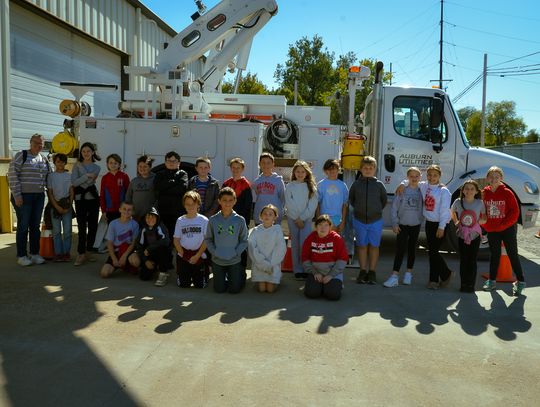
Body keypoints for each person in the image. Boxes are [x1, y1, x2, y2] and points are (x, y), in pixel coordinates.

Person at [398, 164, 452, 289]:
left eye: (435, 175)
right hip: (429, 223)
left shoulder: (443, 191)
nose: (432, 177)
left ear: (439, 176)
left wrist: (442, 227)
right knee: (432, 253)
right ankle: (434, 280)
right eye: (429, 175)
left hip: (440, 224)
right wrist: (401, 184)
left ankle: (445, 274)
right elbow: (411, 180)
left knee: (433, 252)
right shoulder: (424, 186)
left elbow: (445, 210)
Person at [8, 133, 51, 266]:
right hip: (23, 197)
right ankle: (21, 255)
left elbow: (49, 177)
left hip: (38, 197)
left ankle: (34, 254)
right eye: (36, 143)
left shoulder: (44, 159)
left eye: (41, 144)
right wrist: (17, 195)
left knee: (35, 226)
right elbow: (12, 174)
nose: (38, 146)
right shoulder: (22, 155)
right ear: (30, 142)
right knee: (23, 226)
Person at [481, 166, 526, 295]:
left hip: (507, 229)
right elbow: (481, 211)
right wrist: (486, 226)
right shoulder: (485, 193)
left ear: (501, 178)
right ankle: (492, 281)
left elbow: (515, 212)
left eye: (497, 177)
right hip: (492, 230)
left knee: (512, 254)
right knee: (494, 255)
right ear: (487, 178)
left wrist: (503, 225)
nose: (494, 179)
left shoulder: (507, 192)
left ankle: (521, 281)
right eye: (491, 177)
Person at [349, 156, 387, 285]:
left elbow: (383, 201)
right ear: (361, 169)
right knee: (362, 246)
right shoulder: (356, 184)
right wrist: (360, 211)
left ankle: (372, 272)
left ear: (375, 169)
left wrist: (374, 211)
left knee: (374, 246)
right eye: (365, 168)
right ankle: (362, 271)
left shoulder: (379, 185)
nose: (368, 170)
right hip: (359, 220)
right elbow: (352, 200)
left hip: (375, 220)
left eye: (371, 168)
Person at [383, 167, 423, 288]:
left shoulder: (423, 190)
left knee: (412, 249)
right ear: (407, 177)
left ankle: (408, 274)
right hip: (402, 225)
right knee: (400, 250)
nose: (414, 178)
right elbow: (394, 208)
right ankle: (395, 276)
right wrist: (395, 223)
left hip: (415, 225)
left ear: (420, 178)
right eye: (411, 176)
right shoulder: (402, 190)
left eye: (417, 176)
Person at [205, 187, 249, 294]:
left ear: (235, 201)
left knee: (234, 290)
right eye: (224, 200)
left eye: (230, 200)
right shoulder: (213, 219)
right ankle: (224, 277)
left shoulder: (239, 220)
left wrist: (235, 252)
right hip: (218, 259)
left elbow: (244, 240)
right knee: (219, 290)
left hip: (234, 259)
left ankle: (240, 275)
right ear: (219, 201)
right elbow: (208, 239)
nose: (227, 203)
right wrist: (215, 252)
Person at [451, 179, 486, 293]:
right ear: (463, 190)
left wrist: (477, 222)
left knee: (472, 260)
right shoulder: (458, 201)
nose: (469, 191)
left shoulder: (480, 203)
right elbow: (452, 212)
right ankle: (463, 284)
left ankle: (471, 285)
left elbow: (484, 217)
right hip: (462, 235)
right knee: (464, 260)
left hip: (475, 235)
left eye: (472, 189)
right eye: (467, 188)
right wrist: (456, 221)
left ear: (476, 191)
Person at [302, 215, 349, 301]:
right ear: (316, 227)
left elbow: (342, 259)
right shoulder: (310, 238)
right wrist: (314, 272)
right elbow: (305, 258)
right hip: (316, 273)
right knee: (311, 293)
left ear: (330, 227)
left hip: (333, 273)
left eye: (326, 225)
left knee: (333, 295)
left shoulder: (337, 239)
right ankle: (319, 286)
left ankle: (333, 285)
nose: (323, 228)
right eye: (320, 225)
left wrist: (331, 275)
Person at [285, 160, 318, 280]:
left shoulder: (311, 187)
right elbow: (289, 202)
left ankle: (306, 268)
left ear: (306, 173)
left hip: (306, 220)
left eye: (302, 172)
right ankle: (297, 269)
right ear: (294, 172)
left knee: (304, 244)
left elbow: (312, 205)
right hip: (292, 219)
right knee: (295, 244)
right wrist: (296, 218)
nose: (300, 174)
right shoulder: (290, 186)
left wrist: (302, 218)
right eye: (297, 171)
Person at [71, 142, 101, 266]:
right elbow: (74, 182)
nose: (86, 153)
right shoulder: (76, 165)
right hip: (80, 199)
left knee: (93, 226)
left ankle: (89, 251)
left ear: (93, 152)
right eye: (83, 151)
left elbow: (87, 182)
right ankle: (80, 253)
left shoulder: (97, 167)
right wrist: (87, 175)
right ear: (81, 153)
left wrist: (83, 175)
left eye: (88, 151)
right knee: (82, 226)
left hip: (93, 199)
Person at [173, 191, 209, 288]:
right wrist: (184, 254)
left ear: (198, 204)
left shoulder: (204, 220)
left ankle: (203, 274)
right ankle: (181, 275)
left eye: (193, 204)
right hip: (184, 253)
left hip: (198, 254)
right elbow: (176, 240)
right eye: (187, 204)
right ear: (184, 205)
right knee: (184, 284)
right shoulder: (180, 220)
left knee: (200, 285)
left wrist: (197, 255)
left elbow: (206, 240)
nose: (190, 206)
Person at [248, 204, 287, 293]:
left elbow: (280, 247)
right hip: (259, 264)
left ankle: (277, 279)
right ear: (261, 216)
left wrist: (271, 263)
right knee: (262, 289)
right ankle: (260, 281)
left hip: (272, 264)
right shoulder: (255, 230)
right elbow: (252, 247)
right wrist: (262, 262)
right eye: (265, 214)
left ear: (275, 217)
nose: (267, 216)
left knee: (270, 290)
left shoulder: (277, 230)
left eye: (270, 214)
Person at [153, 151, 188, 241]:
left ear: (179, 163)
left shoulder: (183, 174)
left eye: (174, 161)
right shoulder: (159, 174)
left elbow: (181, 188)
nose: (171, 163)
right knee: (164, 235)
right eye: (169, 160)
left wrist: (166, 187)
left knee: (177, 236)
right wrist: (174, 181)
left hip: (178, 211)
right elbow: (158, 187)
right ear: (165, 162)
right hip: (163, 211)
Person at [128, 206, 170, 282]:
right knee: (144, 277)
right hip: (149, 256)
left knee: (163, 249)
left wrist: (149, 248)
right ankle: (154, 267)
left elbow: (166, 241)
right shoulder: (143, 230)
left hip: (160, 254)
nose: (150, 219)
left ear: (157, 218)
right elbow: (139, 246)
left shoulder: (160, 227)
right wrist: (146, 260)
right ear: (145, 218)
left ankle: (163, 272)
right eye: (148, 217)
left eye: (153, 217)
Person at [100, 202, 139, 278]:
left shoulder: (135, 224)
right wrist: (114, 259)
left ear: (133, 212)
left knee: (136, 262)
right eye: (124, 209)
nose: (126, 212)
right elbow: (109, 243)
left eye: (129, 210)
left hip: (128, 251)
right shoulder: (113, 224)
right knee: (104, 273)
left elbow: (133, 243)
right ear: (120, 210)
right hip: (116, 252)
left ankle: (127, 265)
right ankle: (121, 265)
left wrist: (124, 256)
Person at [47, 153, 74, 262]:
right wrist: (56, 206)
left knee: (67, 231)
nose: (60, 164)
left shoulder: (69, 175)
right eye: (58, 161)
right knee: (57, 231)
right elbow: (50, 193)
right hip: (55, 206)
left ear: (65, 163)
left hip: (67, 206)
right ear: (54, 163)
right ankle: (58, 253)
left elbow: (72, 192)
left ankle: (66, 253)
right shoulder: (51, 176)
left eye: (62, 162)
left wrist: (69, 206)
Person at [316, 159, 349, 234]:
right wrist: (318, 219)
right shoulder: (321, 184)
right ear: (325, 171)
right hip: (324, 217)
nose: (331, 171)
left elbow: (345, 204)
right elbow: (317, 203)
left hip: (337, 218)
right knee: (324, 241)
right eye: (329, 169)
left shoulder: (343, 185)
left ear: (338, 169)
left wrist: (343, 221)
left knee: (334, 241)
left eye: (334, 168)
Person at [252, 152, 285, 226]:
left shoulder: (278, 180)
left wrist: (279, 211)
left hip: (274, 217)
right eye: (263, 162)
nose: (266, 165)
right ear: (259, 164)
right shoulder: (256, 182)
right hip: (260, 217)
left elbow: (283, 197)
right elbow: (255, 198)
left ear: (273, 164)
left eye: (268, 163)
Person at [222, 157, 253, 226]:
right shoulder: (226, 184)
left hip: (240, 219)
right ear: (230, 168)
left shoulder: (246, 185)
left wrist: (246, 223)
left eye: (238, 168)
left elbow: (248, 206)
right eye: (233, 167)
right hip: (226, 217)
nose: (235, 170)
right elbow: (221, 202)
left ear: (242, 169)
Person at [100, 153, 130, 224]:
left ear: (119, 165)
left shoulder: (124, 176)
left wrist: (128, 208)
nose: (113, 165)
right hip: (109, 210)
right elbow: (102, 195)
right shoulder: (105, 178)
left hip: (122, 210)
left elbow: (128, 193)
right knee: (112, 231)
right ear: (107, 164)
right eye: (111, 163)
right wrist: (103, 211)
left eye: (115, 163)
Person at [125, 155, 156, 223]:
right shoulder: (134, 181)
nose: (142, 168)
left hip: (150, 216)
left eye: (145, 166)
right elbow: (128, 197)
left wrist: (153, 211)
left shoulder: (155, 179)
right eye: (140, 166)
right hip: (135, 215)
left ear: (150, 167)